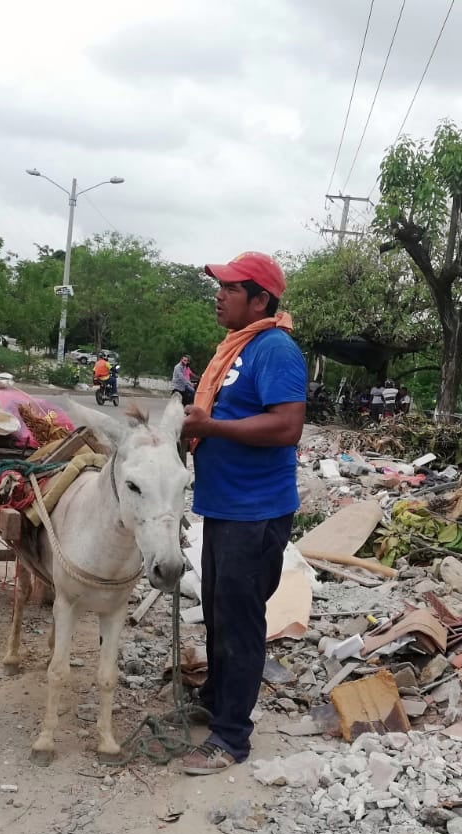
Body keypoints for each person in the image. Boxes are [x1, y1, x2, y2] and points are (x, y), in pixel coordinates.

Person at [180, 251, 306, 774]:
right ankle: (215, 699)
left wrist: (211, 430)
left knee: (241, 622)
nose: (220, 294)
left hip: (255, 512)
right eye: (221, 286)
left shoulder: (275, 349)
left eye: (231, 287)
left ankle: (231, 737)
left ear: (260, 300)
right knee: (218, 610)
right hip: (225, 506)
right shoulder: (235, 349)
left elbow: (286, 427)